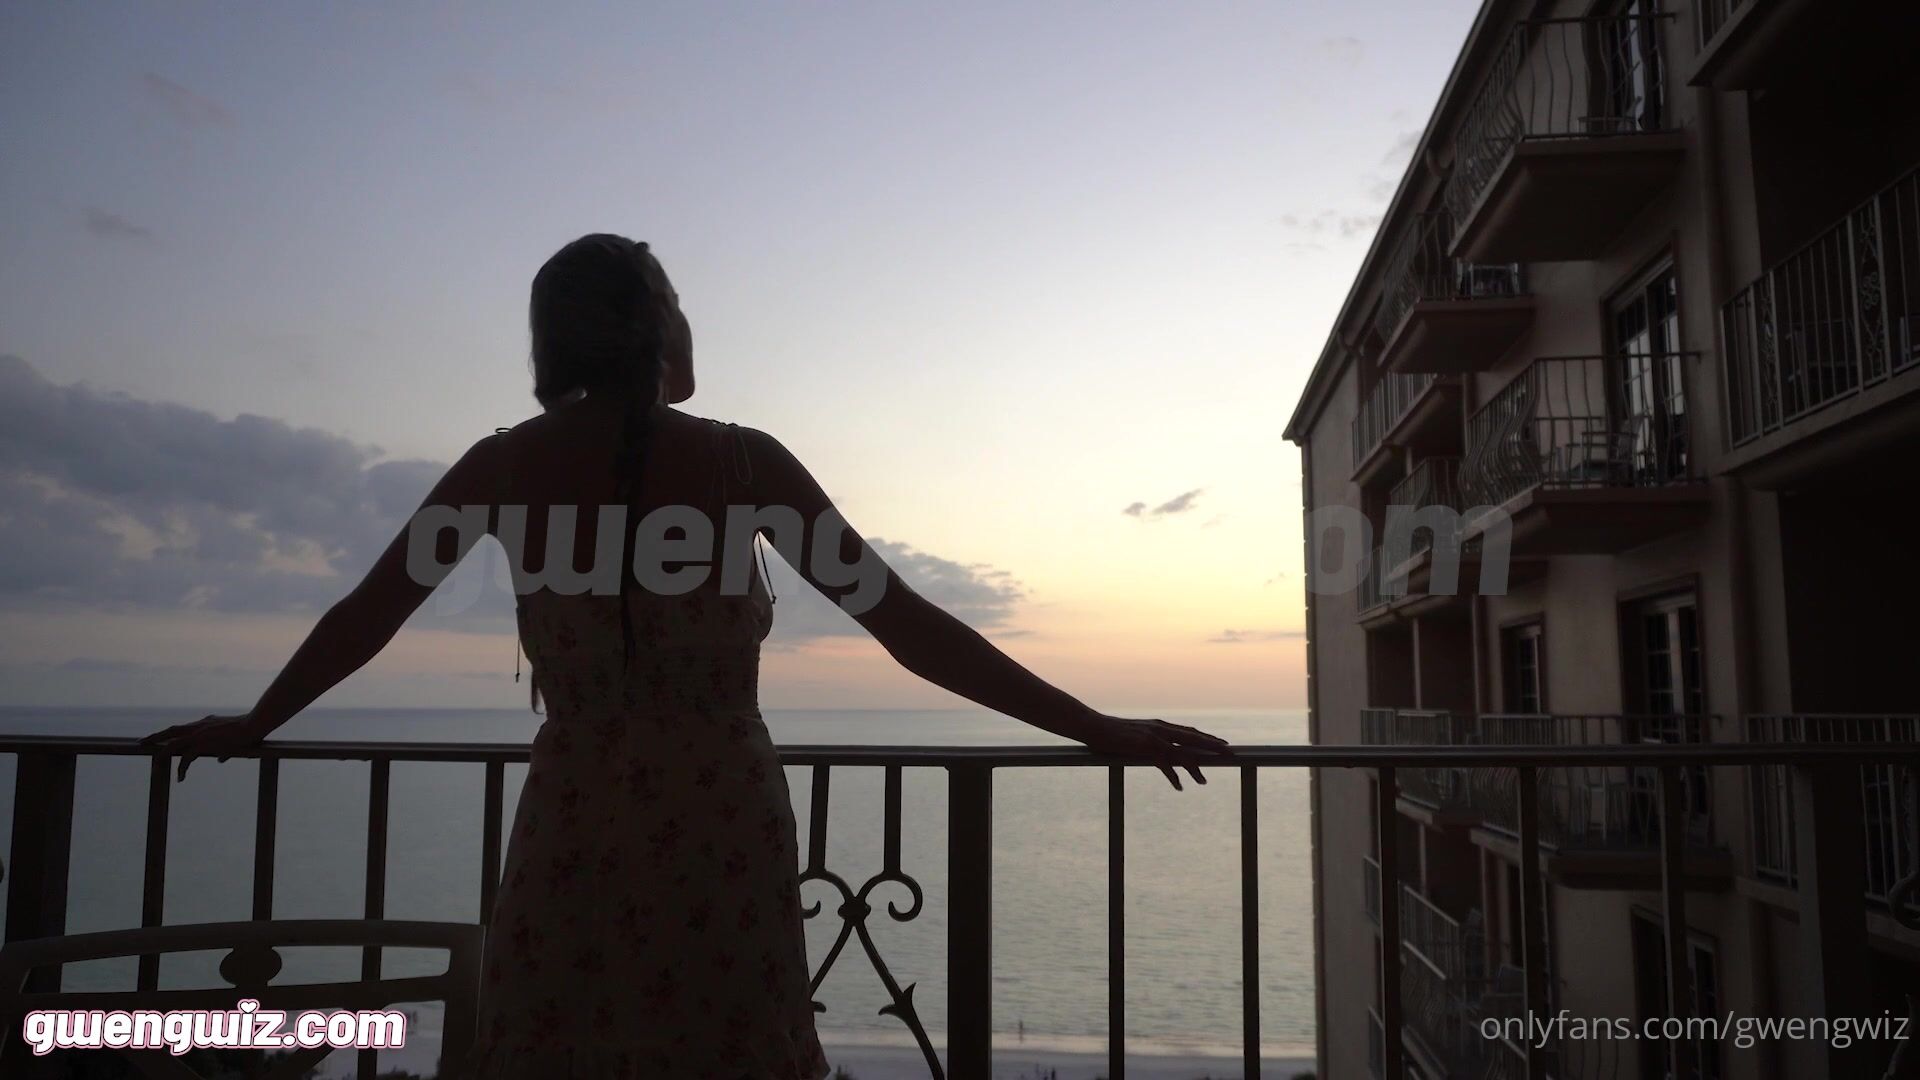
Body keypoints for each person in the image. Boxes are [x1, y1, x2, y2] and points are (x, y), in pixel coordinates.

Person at [143, 233, 1235, 1078]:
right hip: (720, 822)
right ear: (658, 328)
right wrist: (1097, 727)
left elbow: (367, 615)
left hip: (573, 820)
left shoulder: (502, 467)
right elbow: (908, 628)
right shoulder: (742, 464)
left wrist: (257, 723)